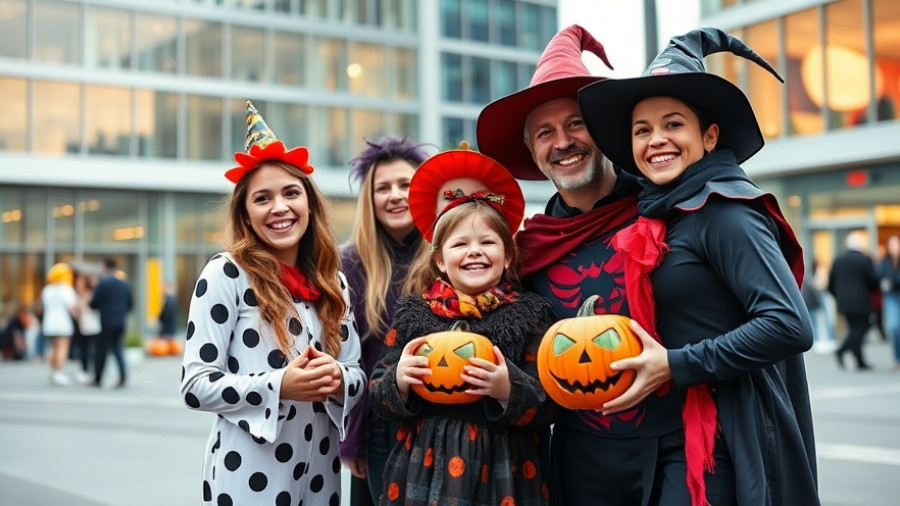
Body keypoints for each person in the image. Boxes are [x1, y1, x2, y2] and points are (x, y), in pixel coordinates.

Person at [577, 27, 818, 505]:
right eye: (642, 130)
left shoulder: (724, 210)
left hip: (729, 437)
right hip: (680, 429)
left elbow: (789, 324)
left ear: (709, 137)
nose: (656, 140)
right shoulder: (672, 210)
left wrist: (674, 364)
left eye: (673, 125)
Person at [478, 25, 656, 505]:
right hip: (578, 459)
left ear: (602, 129)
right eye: (545, 132)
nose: (562, 142)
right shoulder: (529, 249)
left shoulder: (663, 212)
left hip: (672, 448)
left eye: (576, 124)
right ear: (532, 150)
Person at [180, 101, 364, 506]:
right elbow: (195, 386)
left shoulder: (332, 280)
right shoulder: (225, 274)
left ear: (309, 203)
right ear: (246, 215)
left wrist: (336, 378)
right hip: (249, 473)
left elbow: (356, 372)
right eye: (262, 198)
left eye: (291, 193)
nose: (279, 207)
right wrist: (281, 385)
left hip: (322, 472)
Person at [368, 147, 556, 505]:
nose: (474, 251)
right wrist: (399, 381)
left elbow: (551, 399)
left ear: (507, 256)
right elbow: (378, 394)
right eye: (460, 244)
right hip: (425, 465)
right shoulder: (414, 315)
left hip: (505, 467)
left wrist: (508, 388)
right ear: (440, 259)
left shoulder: (529, 316)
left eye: (487, 242)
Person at [340, 136, 430, 506]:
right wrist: (353, 441)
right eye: (383, 187)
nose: (395, 195)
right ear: (369, 199)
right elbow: (349, 359)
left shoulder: (447, 254)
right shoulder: (349, 265)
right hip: (380, 428)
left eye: (405, 184)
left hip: (442, 421)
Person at [828, 231, 880, 371]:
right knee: (862, 328)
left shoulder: (838, 260)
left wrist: (838, 296)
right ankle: (842, 349)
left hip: (844, 302)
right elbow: (873, 281)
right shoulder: (864, 260)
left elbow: (830, 283)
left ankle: (860, 361)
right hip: (861, 302)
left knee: (854, 328)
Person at [90, 258, 133, 387]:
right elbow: (130, 304)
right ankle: (123, 377)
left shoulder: (103, 283)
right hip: (120, 321)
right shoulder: (124, 284)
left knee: (101, 350)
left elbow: (94, 303)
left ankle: (98, 378)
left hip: (106, 321)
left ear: (105, 267)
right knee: (118, 349)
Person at [41, 262, 77, 386]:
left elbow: (42, 306)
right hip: (63, 322)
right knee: (62, 347)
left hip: (49, 322)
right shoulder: (67, 290)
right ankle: (59, 372)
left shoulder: (47, 290)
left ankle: (53, 371)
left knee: (53, 347)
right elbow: (72, 308)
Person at [73, 268, 101, 384]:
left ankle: (90, 371)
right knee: (84, 348)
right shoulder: (79, 294)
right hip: (84, 324)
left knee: (90, 349)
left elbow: (85, 307)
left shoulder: (90, 294)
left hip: (91, 324)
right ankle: (86, 371)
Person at [880, 234, 900, 370]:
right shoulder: (885, 261)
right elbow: (877, 274)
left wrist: (892, 280)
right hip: (891, 296)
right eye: (892, 244)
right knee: (894, 327)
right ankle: (897, 358)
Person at [157, 283, 181, 355]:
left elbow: (166, 313)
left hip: (168, 325)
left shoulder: (170, 300)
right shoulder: (172, 299)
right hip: (169, 325)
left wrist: (160, 318)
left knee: (167, 340)